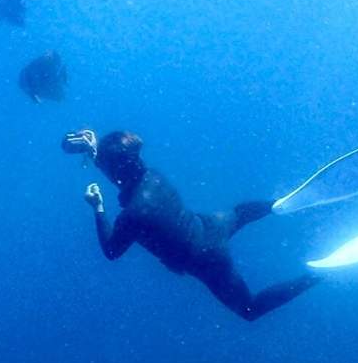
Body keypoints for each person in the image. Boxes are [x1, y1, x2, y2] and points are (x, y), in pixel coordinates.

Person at [62, 130, 320, 321]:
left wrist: (98, 207)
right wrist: (95, 150)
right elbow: (121, 167)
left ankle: (315, 278)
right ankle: (277, 205)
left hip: (207, 259)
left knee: (249, 310)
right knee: (240, 214)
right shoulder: (152, 175)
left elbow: (111, 251)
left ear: (115, 169)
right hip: (209, 226)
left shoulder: (134, 215)